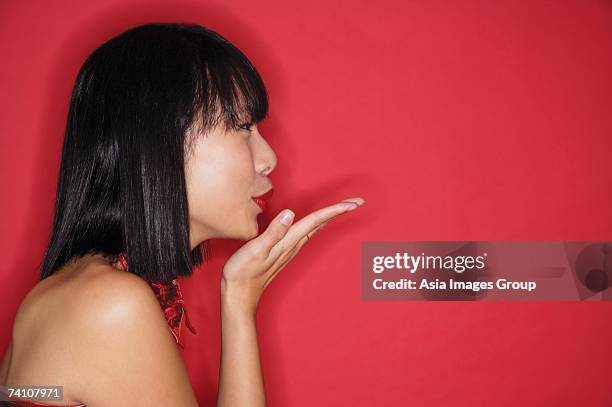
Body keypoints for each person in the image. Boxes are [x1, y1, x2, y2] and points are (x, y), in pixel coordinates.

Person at [0, 22, 365, 406]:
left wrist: (239, 296)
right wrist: (239, 304)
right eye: (242, 127)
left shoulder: (77, 289)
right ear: (160, 144)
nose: (269, 159)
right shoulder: (108, 305)